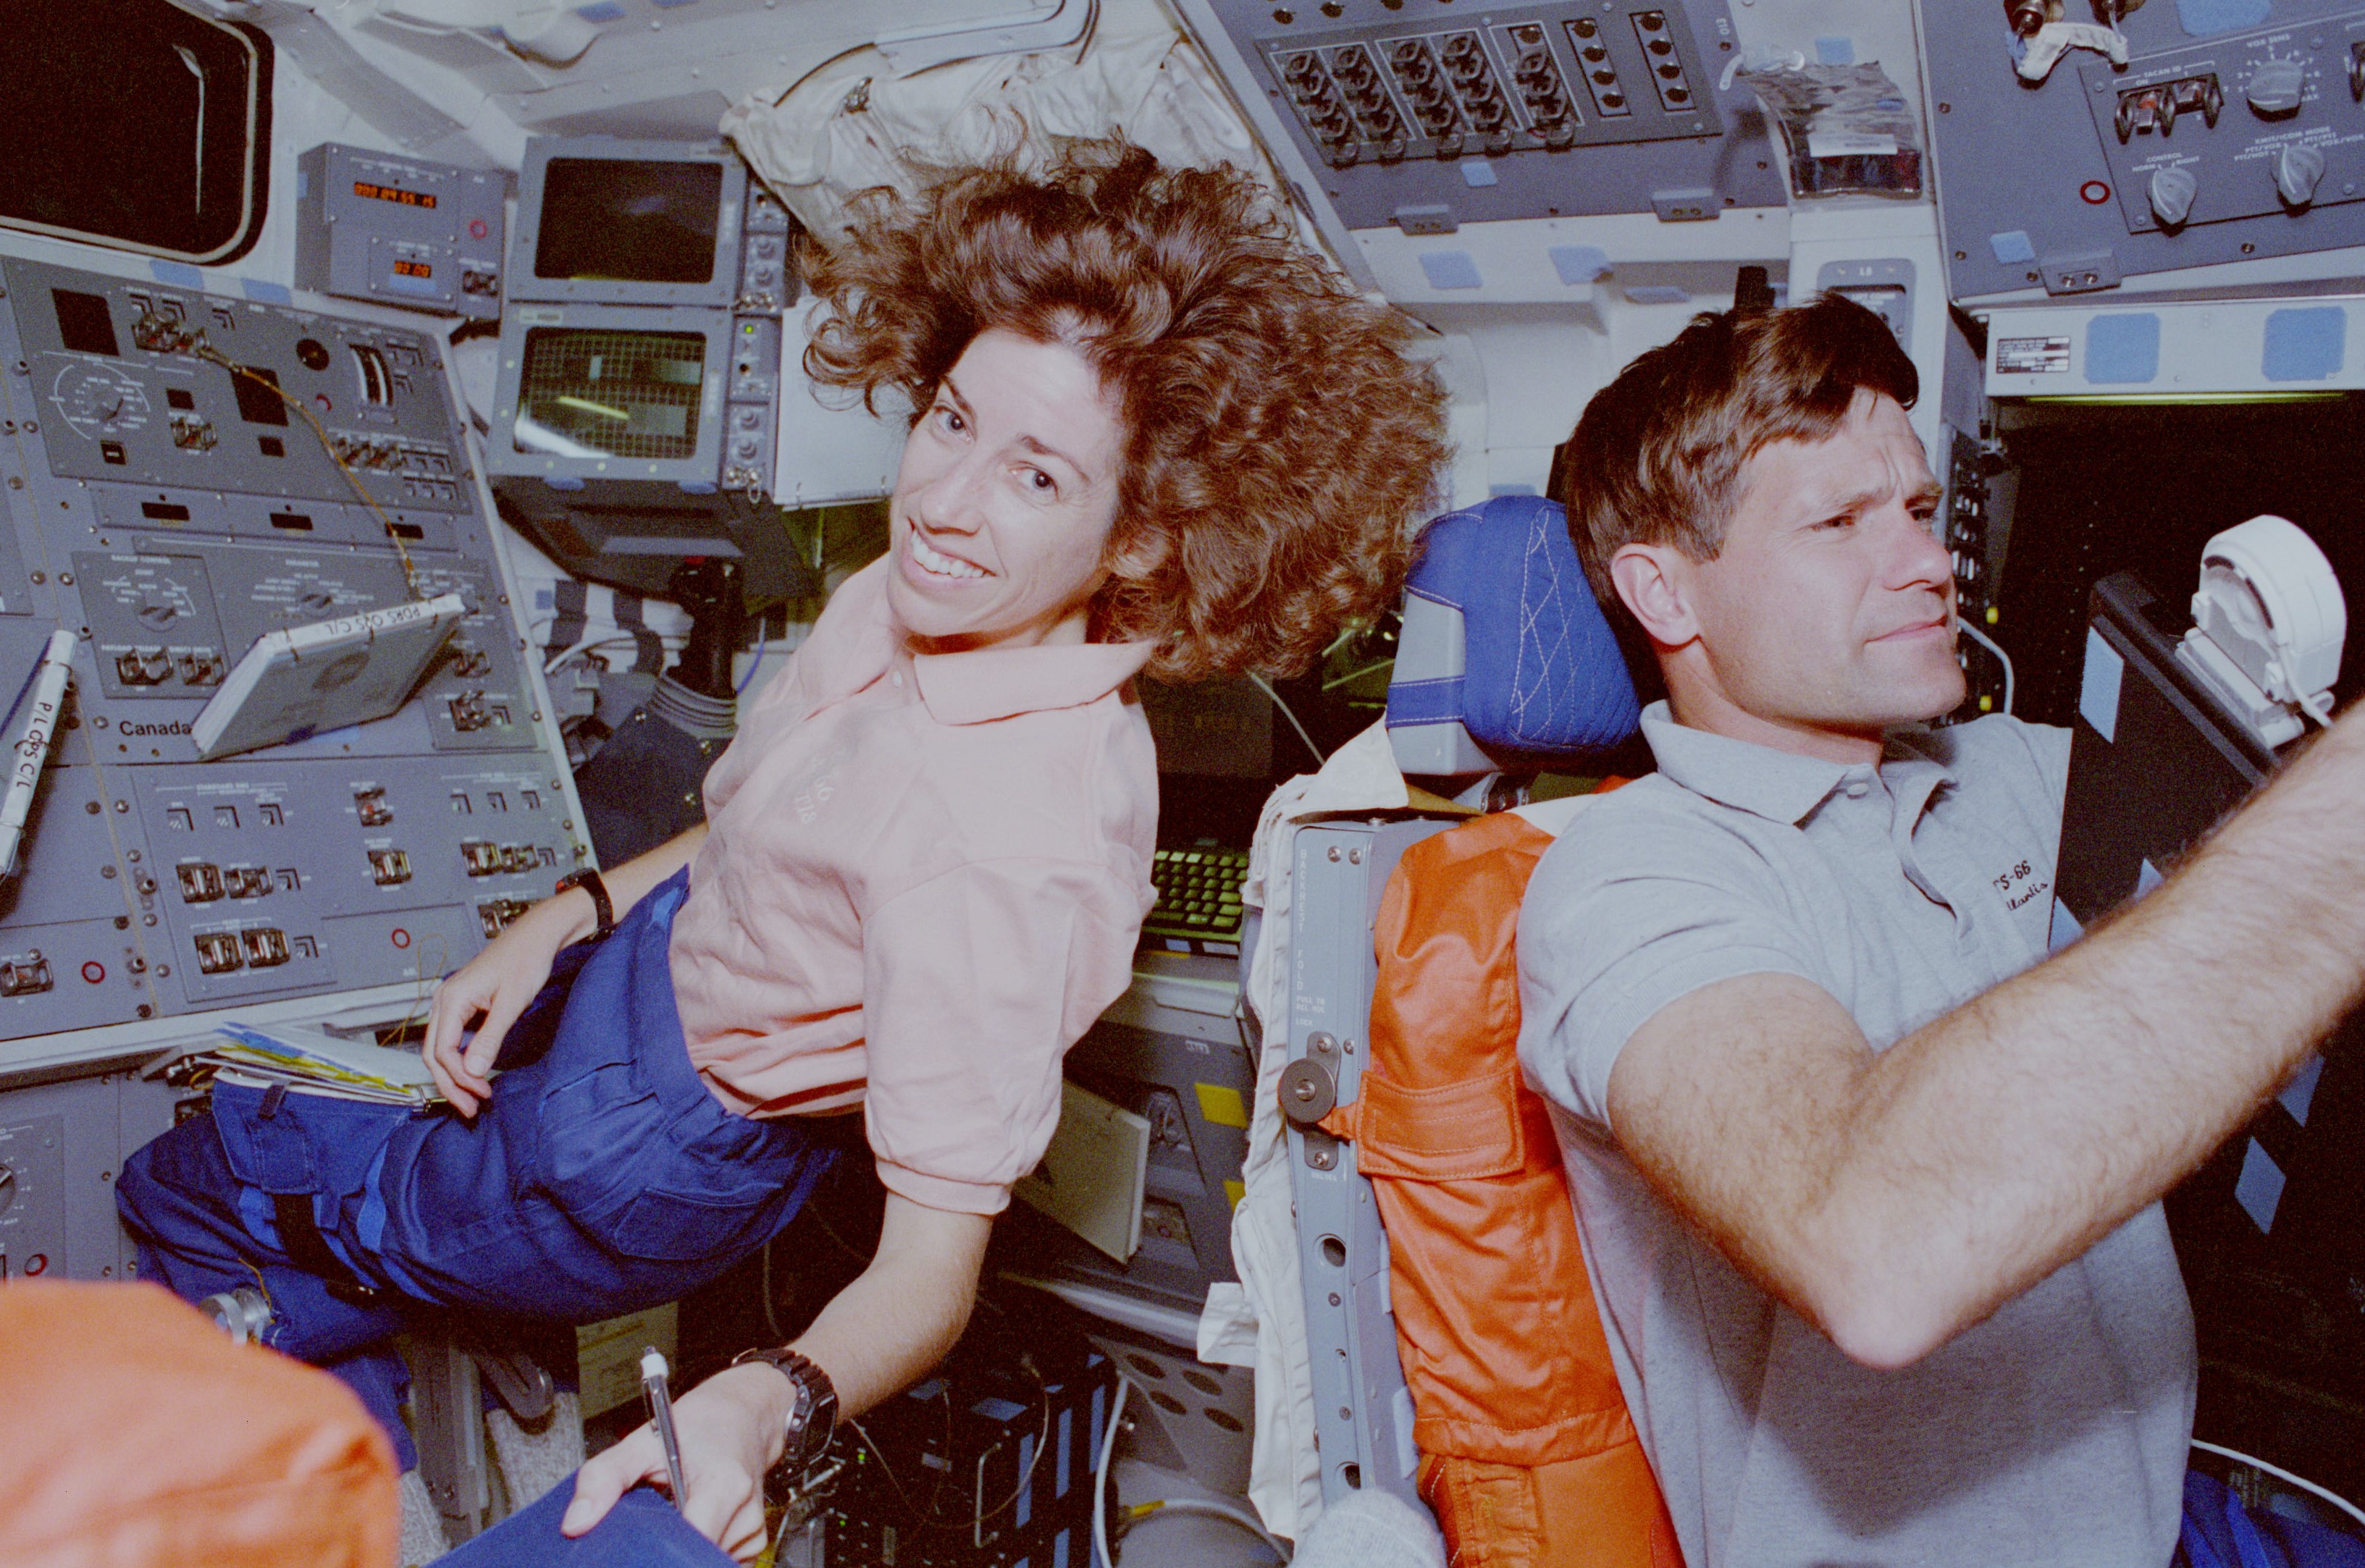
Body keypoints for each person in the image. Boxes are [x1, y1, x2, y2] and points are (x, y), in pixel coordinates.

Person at [117, 138, 1450, 1561]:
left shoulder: (1013, 849)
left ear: (1143, 539)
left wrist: (768, 1402)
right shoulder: (917, 593)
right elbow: (761, 830)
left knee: (192, 1185)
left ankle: (308, 1499)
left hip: (647, 1147)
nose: (945, 501)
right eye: (950, 420)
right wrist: (565, 915)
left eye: (1038, 477)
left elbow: (931, 1274)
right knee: (368, 1206)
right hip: (645, 977)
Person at [1516, 292, 2365, 1567]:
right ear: (1664, 589)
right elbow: (1870, 1244)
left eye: (1914, 510)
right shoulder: (1630, 880)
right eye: (1839, 521)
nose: (1924, 560)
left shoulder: (2006, 769)